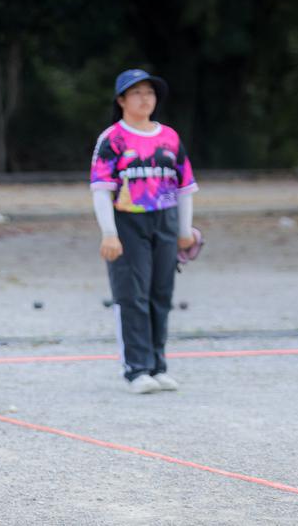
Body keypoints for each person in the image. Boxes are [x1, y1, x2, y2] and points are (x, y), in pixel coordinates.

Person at [89, 69, 199, 395]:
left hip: (164, 220)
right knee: (132, 295)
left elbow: (185, 188)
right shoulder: (112, 139)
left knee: (161, 294)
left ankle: (157, 365)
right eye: (136, 93)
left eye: (149, 92)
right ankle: (136, 369)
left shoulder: (170, 138)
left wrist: (184, 230)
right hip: (127, 221)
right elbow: (101, 189)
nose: (144, 99)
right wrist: (109, 233)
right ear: (121, 100)